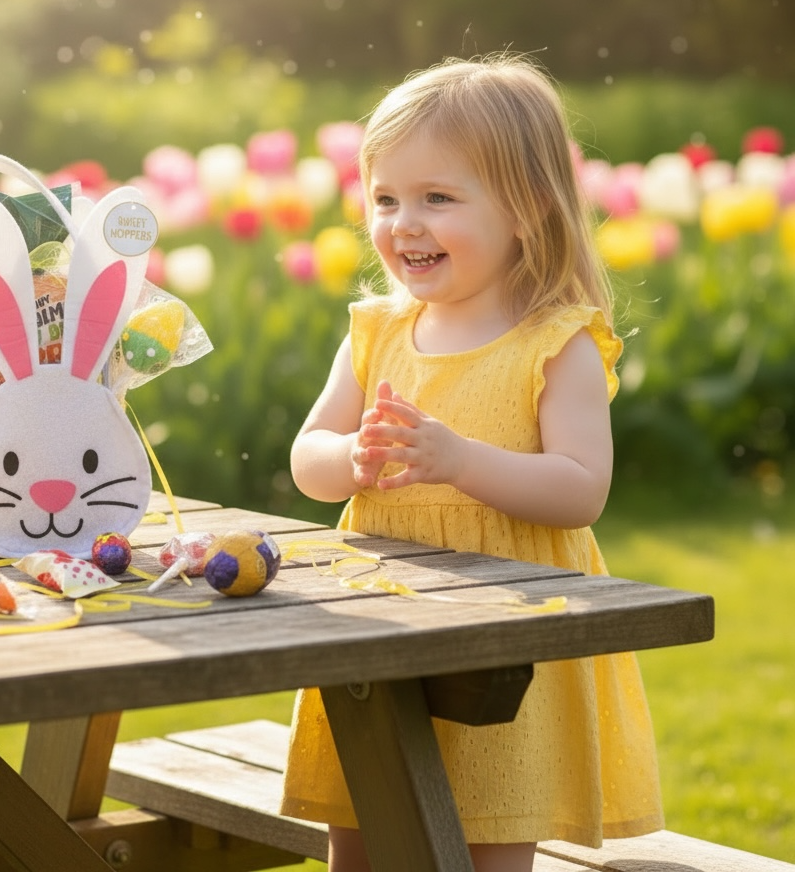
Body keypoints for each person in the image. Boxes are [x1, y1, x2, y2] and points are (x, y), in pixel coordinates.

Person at [279, 55, 664, 872]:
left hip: (506, 644)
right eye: (385, 199)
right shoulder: (376, 332)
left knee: (486, 836)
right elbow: (308, 461)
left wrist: (457, 459)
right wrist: (351, 458)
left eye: (437, 199)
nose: (402, 224)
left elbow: (579, 488)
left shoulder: (557, 344)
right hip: (380, 622)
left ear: (525, 209)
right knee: (364, 829)